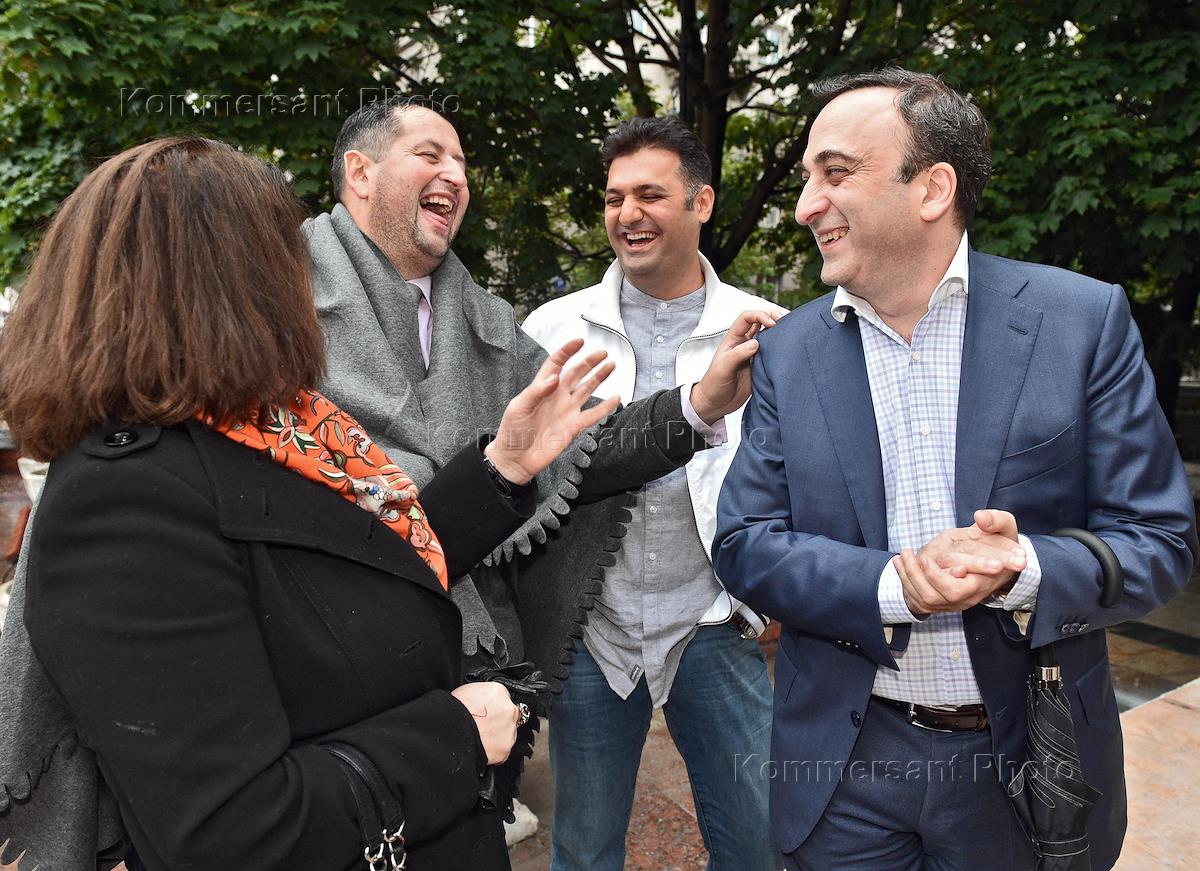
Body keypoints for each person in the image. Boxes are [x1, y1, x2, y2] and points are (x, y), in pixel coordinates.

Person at [0, 136, 626, 870]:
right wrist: (454, 736)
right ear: (226, 281)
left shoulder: (278, 425)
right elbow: (233, 833)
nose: (306, 275)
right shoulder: (123, 507)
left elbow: (354, 575)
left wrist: (504, 466)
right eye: (284, 253)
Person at [712, 68, 1198, 871]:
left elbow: (1159, 541)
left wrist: (1024, 567)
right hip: (843, 766)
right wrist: (892, 585)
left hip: (1020, 765)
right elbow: (743, 542)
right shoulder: (788, 353)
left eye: (835, 173)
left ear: (933, 188)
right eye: (805, 179)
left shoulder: (1080, 323)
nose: (804, 206)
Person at [308, 96, 773, 697]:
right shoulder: (277, 304)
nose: (455, 176)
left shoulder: (492, 327)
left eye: (461, 164)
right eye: (430, 154)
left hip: (477, 663)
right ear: (361, 173)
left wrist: (699, 405)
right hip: (334, 653)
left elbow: (582, 446)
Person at [523, 116, 783, 871]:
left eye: (650, 195)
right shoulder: (552, 330)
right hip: (593, 630)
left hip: (711, 621)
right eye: (614, 198)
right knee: (584, 848)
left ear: (702, 202)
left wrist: (759, 600)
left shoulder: (765, 332)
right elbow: (523, 478)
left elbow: (796, 476)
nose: (628, 214)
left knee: (758, 842)